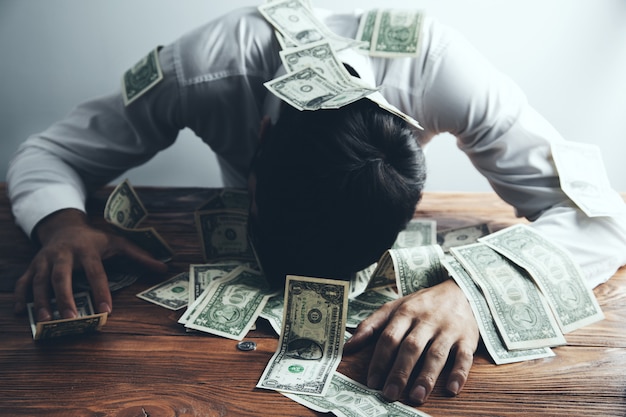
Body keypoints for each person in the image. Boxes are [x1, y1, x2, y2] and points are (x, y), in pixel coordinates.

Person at [6, 4, 626, 406]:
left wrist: (471, 292)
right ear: (259, 150)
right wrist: (61, 223)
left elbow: (607, 220)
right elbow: (48, 152)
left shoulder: (444, 69)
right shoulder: (199, 69)